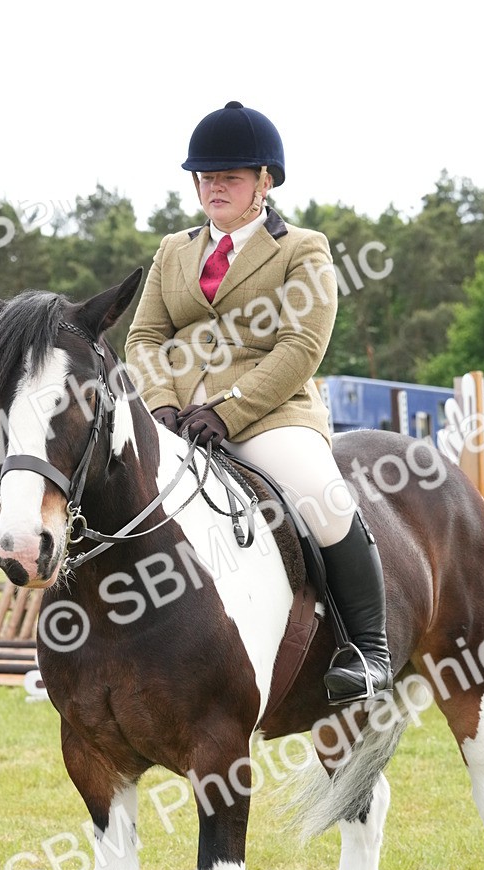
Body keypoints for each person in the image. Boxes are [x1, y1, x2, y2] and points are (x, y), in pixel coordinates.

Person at [124, 101, 391, 704]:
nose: (214, 187)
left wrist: (229, 411)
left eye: (230, 177)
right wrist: (160, 403)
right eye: (205, 177)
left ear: (265, 181)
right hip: (176, 418)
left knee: (323, 498)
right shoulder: (173, 251)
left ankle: (368, 650)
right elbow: (143, 338)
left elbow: (302, 345)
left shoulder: (303, 248)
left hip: (268, 416)